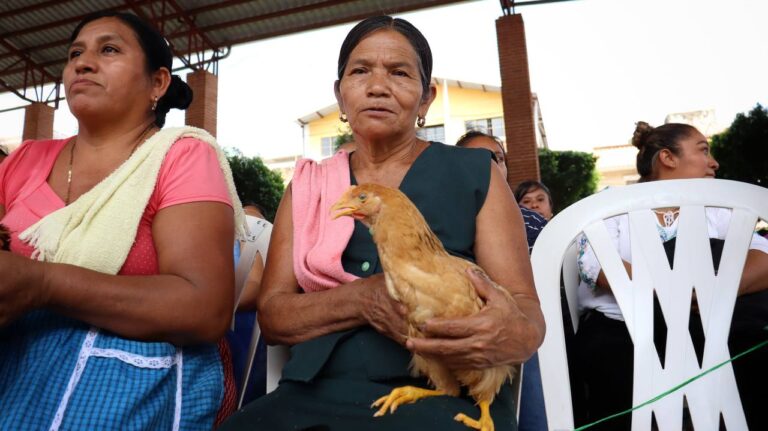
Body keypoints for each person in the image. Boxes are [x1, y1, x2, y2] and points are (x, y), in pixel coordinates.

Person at [221, 16, 545, 431]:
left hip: (447, 398)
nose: (377, 86)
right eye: (360, 71)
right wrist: (363, 299)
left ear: (426, 98)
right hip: (311, 395)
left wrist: (512, 333)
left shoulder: (477, 174)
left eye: (398, 72)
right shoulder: (308, 186)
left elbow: (525, 307)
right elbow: (274, 317)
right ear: (340, 95)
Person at [0, 12, 245, 429]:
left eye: (108, 49)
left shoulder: (181, 156)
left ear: (158, 83)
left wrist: (42, 283)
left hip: (131, 382)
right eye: (75, 53)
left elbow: (204, 308)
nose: (83, 62)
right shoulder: (24, 160)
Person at [574, 121, 768, 430]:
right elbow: (593, 264)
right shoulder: (613, 206)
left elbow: (763, 256)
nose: (714, 162)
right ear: (668, 158)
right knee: (608, 360)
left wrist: (717, 288)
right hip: (623, 326)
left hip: (707, 321)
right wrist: (667, 290)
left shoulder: (718, 209)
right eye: (704, 150)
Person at [456, 130, 548, 431]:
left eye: (497, 157)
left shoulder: (533, 222)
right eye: (477, 158)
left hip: (534, 329)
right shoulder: (445, 220)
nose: (490, 165)